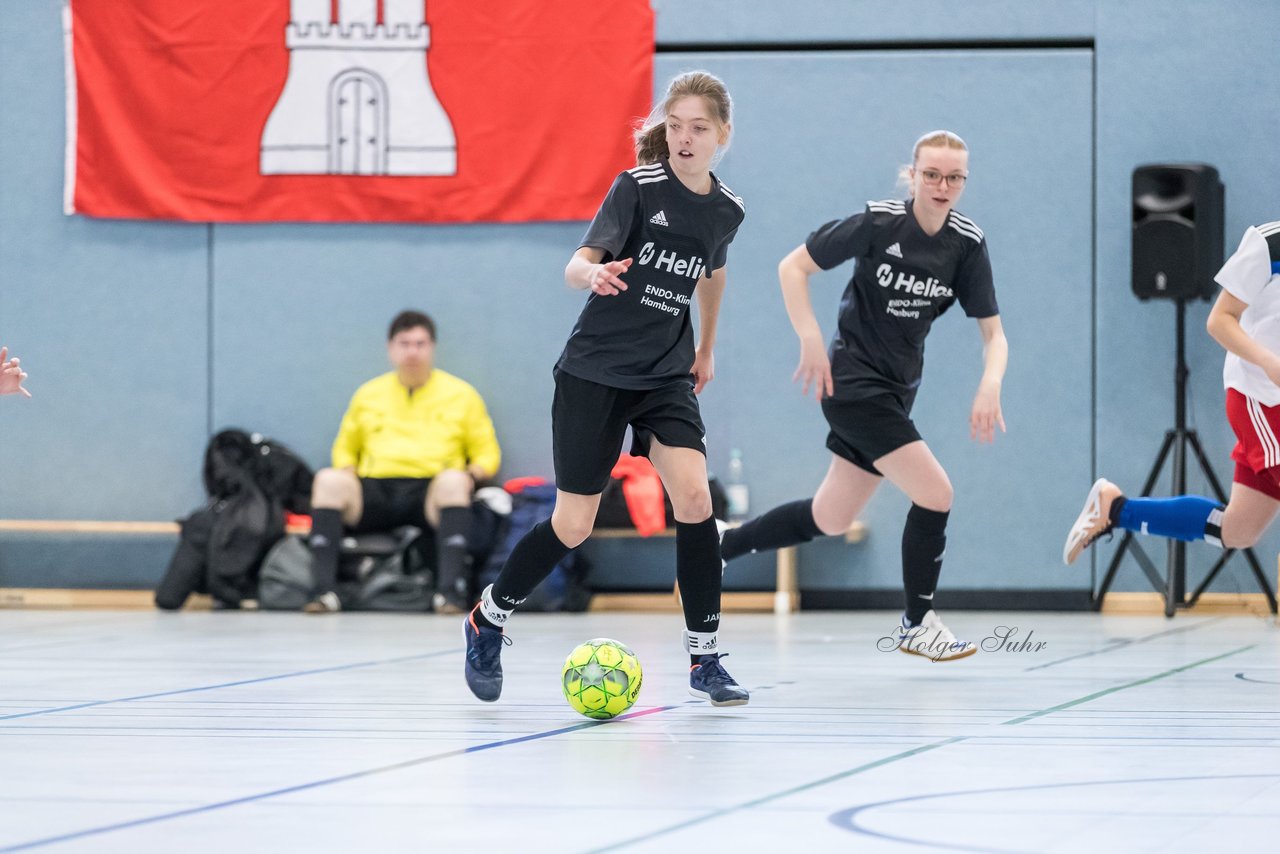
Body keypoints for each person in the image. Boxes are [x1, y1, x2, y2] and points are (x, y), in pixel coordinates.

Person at [462, 70, 750, 706]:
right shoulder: (637, 189)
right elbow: (577, 262)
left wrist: (705, 347)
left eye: (698, 128)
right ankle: (489, 616)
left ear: (722, 135)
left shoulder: (726, 210)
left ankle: (705, 659)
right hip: (595, 372)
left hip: (665, 377)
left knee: (696, 498)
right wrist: (588, 277)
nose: (684, 138)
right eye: (674, 126)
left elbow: (713, 276)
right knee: (572, 523)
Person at [719, 130, 1007, 662]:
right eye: (932, 175)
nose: (942, 186)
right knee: (936, 494)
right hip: (852, 385)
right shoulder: (878, 223)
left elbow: (994, 333)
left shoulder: (965, 244)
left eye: (954, 178)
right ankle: (917, 623)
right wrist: (809, 337)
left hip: (898, 393)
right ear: (912, 174)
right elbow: (794, 267)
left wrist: (990, 383)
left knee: (830, 517)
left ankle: (722, 544)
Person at [1065, 220, 1280, 564]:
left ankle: (1115, 509)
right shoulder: (1269, 244)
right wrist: (1269, 361)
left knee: (1239, 528)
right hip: (1263, 398)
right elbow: (1220, 320)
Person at [306, 310, 501, 613]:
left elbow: (487, 455)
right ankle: (323, 593)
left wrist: (469, 476)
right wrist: (347, 470)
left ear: (432, 347)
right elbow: (344, 450)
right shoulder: (368, 394)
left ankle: (449, 594)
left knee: (453, 482)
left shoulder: (461, 395)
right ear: (391, 348)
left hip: (429, 492)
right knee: (328, 481)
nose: (412, 351)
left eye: (420, 343)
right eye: (405, 343)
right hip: (376, 490)